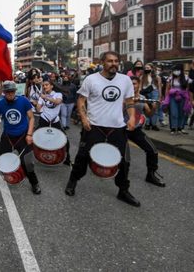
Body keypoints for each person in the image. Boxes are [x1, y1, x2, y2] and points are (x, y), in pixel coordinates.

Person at [65, 51, 141, 207]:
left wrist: (132, 117)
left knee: (124, 161)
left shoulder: (125, 80)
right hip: (94, 126)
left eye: (116, 61)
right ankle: (73, 181)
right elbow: (81, 100)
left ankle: (123, 190)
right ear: (102, 62)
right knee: (83, 156)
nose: (113, 64)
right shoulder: (91, 79)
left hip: (117, 127)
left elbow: (129, 101)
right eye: (110, 61)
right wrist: (84, 118)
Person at [0, 81, 41, 195]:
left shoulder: (23, 101)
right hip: (8, 137)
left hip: (23, 136)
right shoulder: (1, 104)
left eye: (12, 91)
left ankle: (34, 183)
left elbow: (31, 118)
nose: (10, 94)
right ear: (4, 93)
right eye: (7, 92)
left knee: (28, 162)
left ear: (15, 91)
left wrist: (30, 134)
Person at [126, 76, 165, 187]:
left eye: (135, 83)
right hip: (122, 128)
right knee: (124, 157)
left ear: (138, 85)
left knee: (152, 151)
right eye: (131, 83)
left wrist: (154, 107)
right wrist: (130, 101)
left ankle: (151, 175)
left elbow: (149, 114)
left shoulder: (142, 98)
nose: (133, 86)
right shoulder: (122, 96)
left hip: (135, 129)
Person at [36, 78, 71, 165]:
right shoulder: (42, 96)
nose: (44, 86)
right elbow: (38, 109)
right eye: (43, 85)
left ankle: (68, 158)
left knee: (65, 139)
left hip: (55, 120)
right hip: (44, 119)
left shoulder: (57, 94)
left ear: (52, 86)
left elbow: (58, 102)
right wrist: (38, 102)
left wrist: (46, 98)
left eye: (46, 85)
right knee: (34, 137)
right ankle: (36, 157)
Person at [164, 64, 191, 134]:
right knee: (173, 113)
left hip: (183, 97)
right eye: (175, 70)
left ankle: (179, 128)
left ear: (181, 70)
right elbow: (167, 89)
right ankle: (173, 128)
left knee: (181, 113)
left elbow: (188, 89)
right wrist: (166, 99)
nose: (176, 71)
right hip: (173, 97)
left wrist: (189, 99)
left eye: (177, 70)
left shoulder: (186, 78)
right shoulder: (170, 78)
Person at [141, 63, 162, 131]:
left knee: (154, 108)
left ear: (152, 68)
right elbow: (140, 86)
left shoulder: (156, 77)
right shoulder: (142, 76)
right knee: (146, 108)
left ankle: (153, 124)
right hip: (145, 93)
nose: (146, 69)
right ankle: (147, 123)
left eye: (148, 68)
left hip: (154, 92)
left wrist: (160, 96)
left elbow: (159, 87)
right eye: (145, 68)